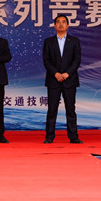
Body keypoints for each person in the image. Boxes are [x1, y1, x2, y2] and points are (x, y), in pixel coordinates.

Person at [42, 14, 83, 144]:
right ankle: (49, 137)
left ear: (67, 25)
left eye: (63, 22)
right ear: (54, 25)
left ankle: (73, 136)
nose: (60, 24)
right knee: (52, 110)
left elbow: (77, 60)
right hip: (53, 80)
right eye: (58, 22)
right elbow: (46, 60)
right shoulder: (48, 41)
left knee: (70, 110)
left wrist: (67, 74)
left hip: (69, 80)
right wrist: (55, 73)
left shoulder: (74, 41)